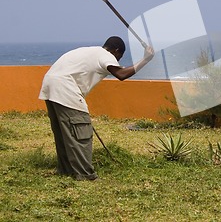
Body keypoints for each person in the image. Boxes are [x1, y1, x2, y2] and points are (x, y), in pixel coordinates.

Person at [39, 36, 154, 180]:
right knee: (81, 132)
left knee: (65, 133)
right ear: (116, 50)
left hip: (50, 84)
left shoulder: (90, 51)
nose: (117, 61)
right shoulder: (106, 56)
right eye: (119, 56)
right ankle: (86, 175)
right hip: (65, 87)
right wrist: (145, 60)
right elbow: (121, 74)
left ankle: (67, 170)